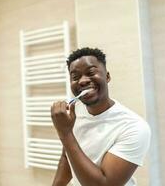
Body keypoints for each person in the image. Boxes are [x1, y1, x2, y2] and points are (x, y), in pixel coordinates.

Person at [51, 47, 151, 186]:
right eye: (75, 77)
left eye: (91, 72)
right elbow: (66, 158)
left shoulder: (134, 126)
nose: (83, 81)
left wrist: (65, 133)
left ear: (107, 76)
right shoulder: (75, 114)